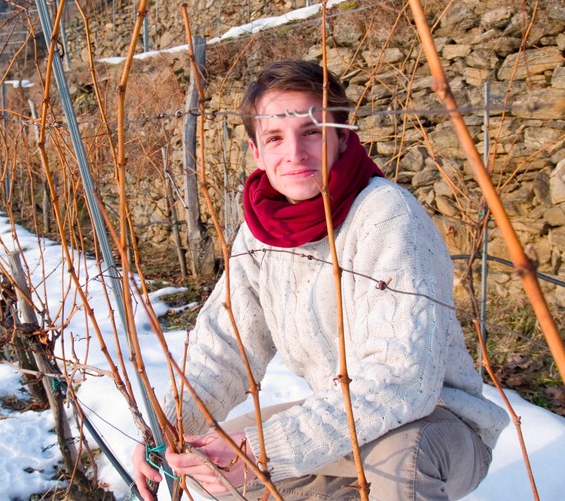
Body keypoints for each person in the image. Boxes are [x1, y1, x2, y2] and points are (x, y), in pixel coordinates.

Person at [132, 60, 509, 500]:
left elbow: (401, 378)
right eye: (275, 137)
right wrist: (167, 426)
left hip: (435, 424)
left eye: (311, 132)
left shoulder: (386, 216)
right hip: (347, 420)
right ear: (257, 151)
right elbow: (226, 347)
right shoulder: (258, 232)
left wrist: (262, 449)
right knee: (209, 466)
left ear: (341, 137)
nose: (294, 153)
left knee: (402, 457)